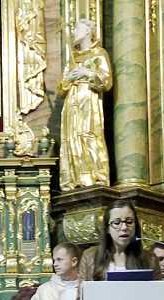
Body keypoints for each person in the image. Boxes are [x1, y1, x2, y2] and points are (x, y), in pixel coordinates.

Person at [59, 19, 112, 191]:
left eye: (77, 29)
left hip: (88, 99)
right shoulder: (73, 58)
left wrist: (87, 73)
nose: (74, 32)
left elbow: (106, 81)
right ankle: (74, 179)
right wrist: (69, 79)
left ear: (88, 31)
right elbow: (61, 88)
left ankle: (96, 177)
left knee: (88, 135)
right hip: (71, 101)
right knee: (72, 137)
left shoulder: (99, 53)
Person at [79, 200, 154, 281]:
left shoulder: (150, 259)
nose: (124, 227)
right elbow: (83, 288)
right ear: (107, 228)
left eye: (129, 222)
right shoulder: (89, 256)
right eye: (117, 222)